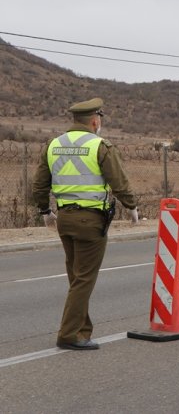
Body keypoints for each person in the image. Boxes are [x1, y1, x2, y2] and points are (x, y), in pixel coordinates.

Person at [32, 97, 139, 351]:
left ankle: (82, 330)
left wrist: (45, 210)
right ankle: (69, 335)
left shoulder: (53, 144)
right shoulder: (100, 145)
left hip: (64, 219)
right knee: (84, 280)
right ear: (94, 120)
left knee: (76, 277)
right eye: (99, 119)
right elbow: (119, 182)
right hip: (91, 221)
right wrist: (132, 206)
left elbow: (39, 184)